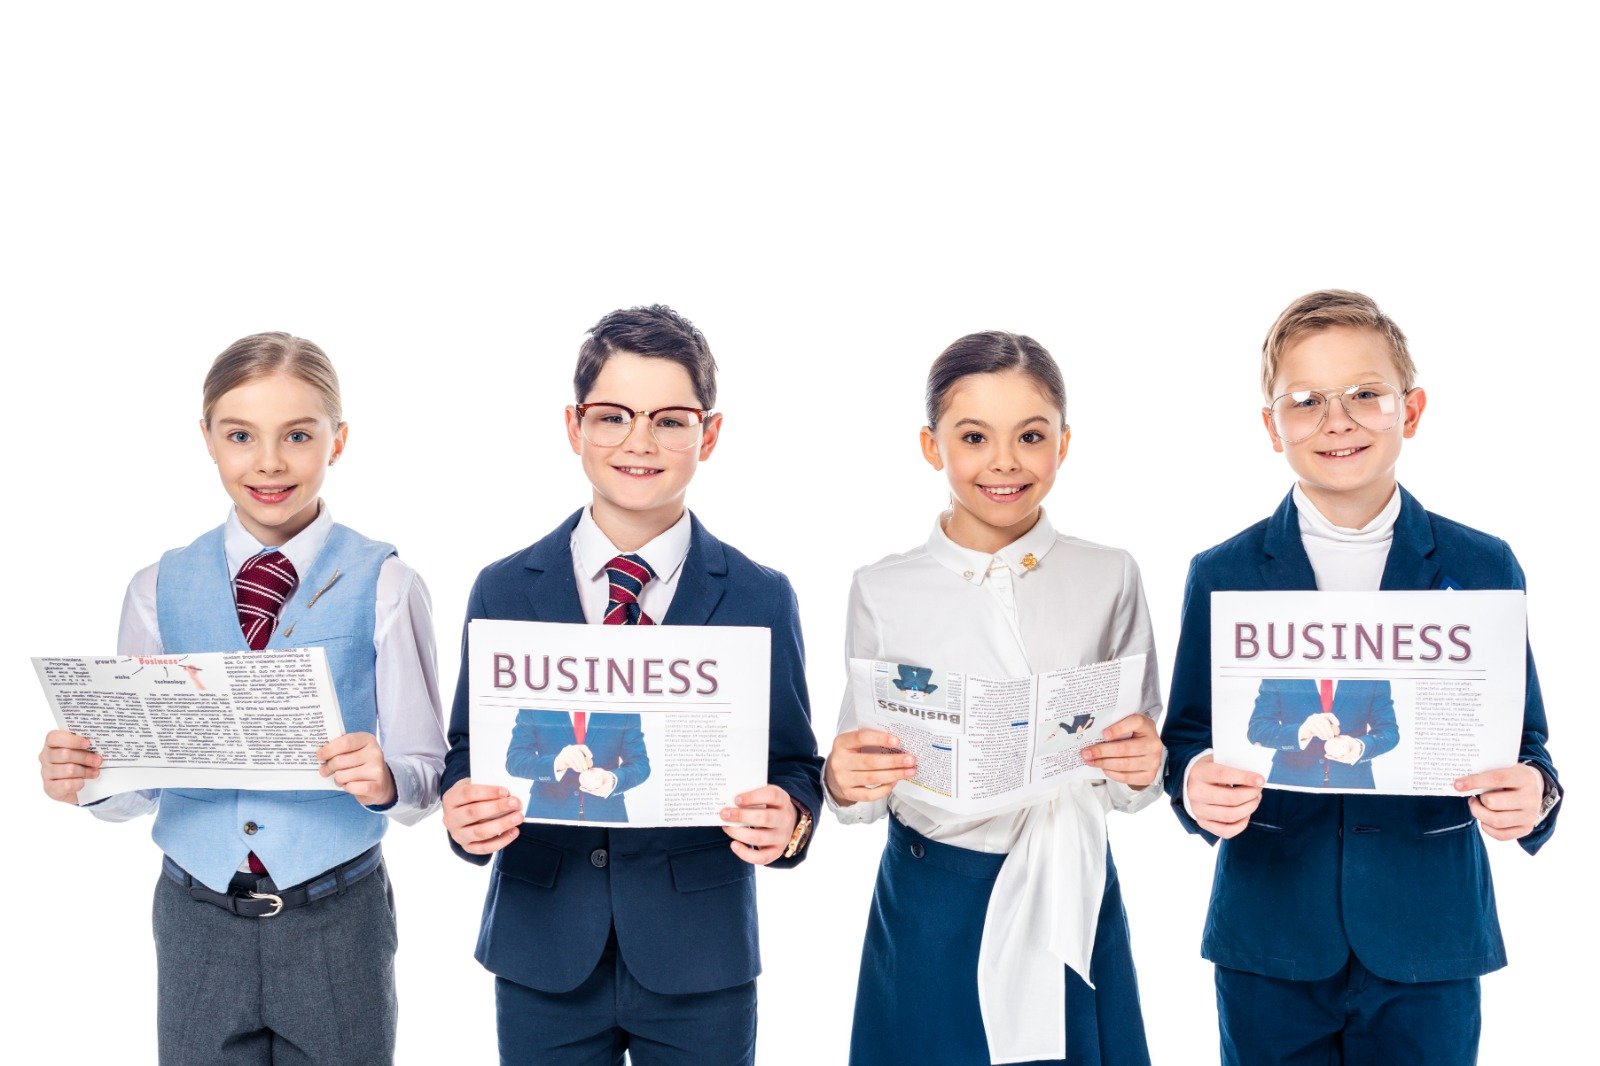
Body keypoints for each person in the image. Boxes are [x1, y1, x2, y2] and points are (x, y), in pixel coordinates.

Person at [1161, 290, 1563, 1065]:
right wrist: (1193, 781)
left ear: (1409, 411)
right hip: (1271, 938)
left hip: (1430, 938)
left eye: (1365, 395)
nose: (1336, 420)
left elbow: (1529, 743)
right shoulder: (1225, 571)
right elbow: (1187, 736)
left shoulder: (1484, 566)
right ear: (1272, 426)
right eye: (1305, 401)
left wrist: (1534, 795)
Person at [37, 332, 447, 1064]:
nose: (268, 462)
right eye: (240, 435)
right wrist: (91, 778)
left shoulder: (387, 584)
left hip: (336, 918)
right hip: (196, 921)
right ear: (207, 440)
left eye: (297, 435)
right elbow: (141, 784)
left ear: (338, 440)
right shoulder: (156, 588)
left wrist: (387, 778)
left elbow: (425, 771)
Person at [439, 304, 824, 1065]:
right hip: (542, 948)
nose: (639, 443)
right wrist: (461, 810)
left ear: (707, 434)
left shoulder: (758, 595)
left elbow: (795, 766)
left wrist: (792, 822)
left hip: (699, 957)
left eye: (670, 420)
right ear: (574, 427)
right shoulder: (504, 588)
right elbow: (465, 751)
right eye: (612, 416)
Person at [826, 331, 1164, 1065]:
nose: (1005, 462)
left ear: (1064, 443)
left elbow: (1136, 768)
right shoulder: (883, 587)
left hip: (1069, 880)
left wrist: (1142, 767)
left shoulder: (1109, 575)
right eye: (974, 436)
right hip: (932, 894)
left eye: (1031, 436)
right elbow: (859, 788)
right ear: (931, 445)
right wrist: (843, 780)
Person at [1246, 677, 1398, 788]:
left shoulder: (1373, 674)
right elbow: (1257, 729)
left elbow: (1388, 731)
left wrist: (1358, 746)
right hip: (1290, 781)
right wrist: (1302, 732)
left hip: (1355, 783)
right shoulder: (1280, 671)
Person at [506, 708, 649, 821]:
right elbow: (516, 760)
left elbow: (640, 764)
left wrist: (611, 780)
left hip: (608, 815)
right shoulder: (534, 701)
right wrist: (558, 762)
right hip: (547, 815)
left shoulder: (624, 706)